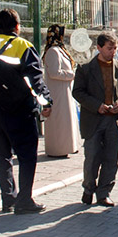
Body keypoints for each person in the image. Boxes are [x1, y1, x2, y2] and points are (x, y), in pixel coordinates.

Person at [0, 8, 52, 214]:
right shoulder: (24, 45)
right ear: (17, 27)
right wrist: (46, 102)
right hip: (19, 109)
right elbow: (35, 79)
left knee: (2, 155)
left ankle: (8, 199)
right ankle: (24, 200)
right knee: (27, 155)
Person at [72, 31, 118, 207]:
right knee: (92, 157)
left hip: (114, 121)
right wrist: (96, 105)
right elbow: (77, 92)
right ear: (99, 48)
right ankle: (88, 188)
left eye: (115, 48)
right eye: (109, 48)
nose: (113, 52)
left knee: (110, 159)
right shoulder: (85, 69)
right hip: (93, 120)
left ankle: (104, 192)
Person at [41, 24, 80, 158]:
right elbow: (54, 72)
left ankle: (68, 146)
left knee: (67, 120)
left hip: (65, 91)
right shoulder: (52, 51)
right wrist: (72, 74)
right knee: (60, 122)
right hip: (57, 92)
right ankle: (57, 149)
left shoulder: (59, 50)